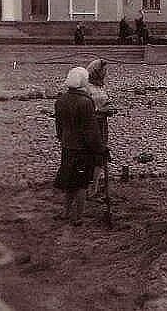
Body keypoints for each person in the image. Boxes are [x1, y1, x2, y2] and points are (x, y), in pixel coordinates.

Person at [54, 67, 106, 225]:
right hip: (82, 149)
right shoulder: (85, 102)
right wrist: (99, 148)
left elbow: (59, 126)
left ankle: (65, 212)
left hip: (67, 145)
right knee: (81, 183)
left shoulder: (61, 100)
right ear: (84, 81)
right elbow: (90, 129)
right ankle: (78, 218)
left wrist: (63, 138)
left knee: (69, 181)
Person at [86, 59, 116, 197]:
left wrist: (109, 108)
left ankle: (95, 184)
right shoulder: (87, 87)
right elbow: (86, 108)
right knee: (92, 152)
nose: (105, 74)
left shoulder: (101, 86)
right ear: (96, 72)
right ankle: (87, 183)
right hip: (92, 124)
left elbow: (104, 102)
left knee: (101, 153)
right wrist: (101, 111)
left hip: (102, 124)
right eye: (103, 71)